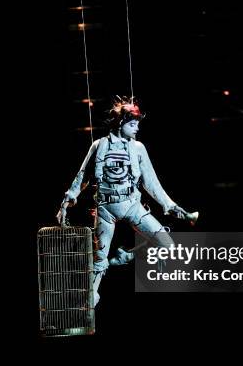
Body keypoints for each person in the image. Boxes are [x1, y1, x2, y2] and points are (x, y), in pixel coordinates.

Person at [56, 96, 198, 305]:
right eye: (132, 124)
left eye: (137, 124)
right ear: (120, 123)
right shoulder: (99, 145)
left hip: (132, 205)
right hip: (106, 207)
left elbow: (152, 182)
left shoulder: (138, 148)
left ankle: (128, 256)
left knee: (166, 244)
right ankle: (90, 299)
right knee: (99, 259)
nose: (137, 128)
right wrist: (67, 201)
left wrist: (171, 205)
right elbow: (82, 175)